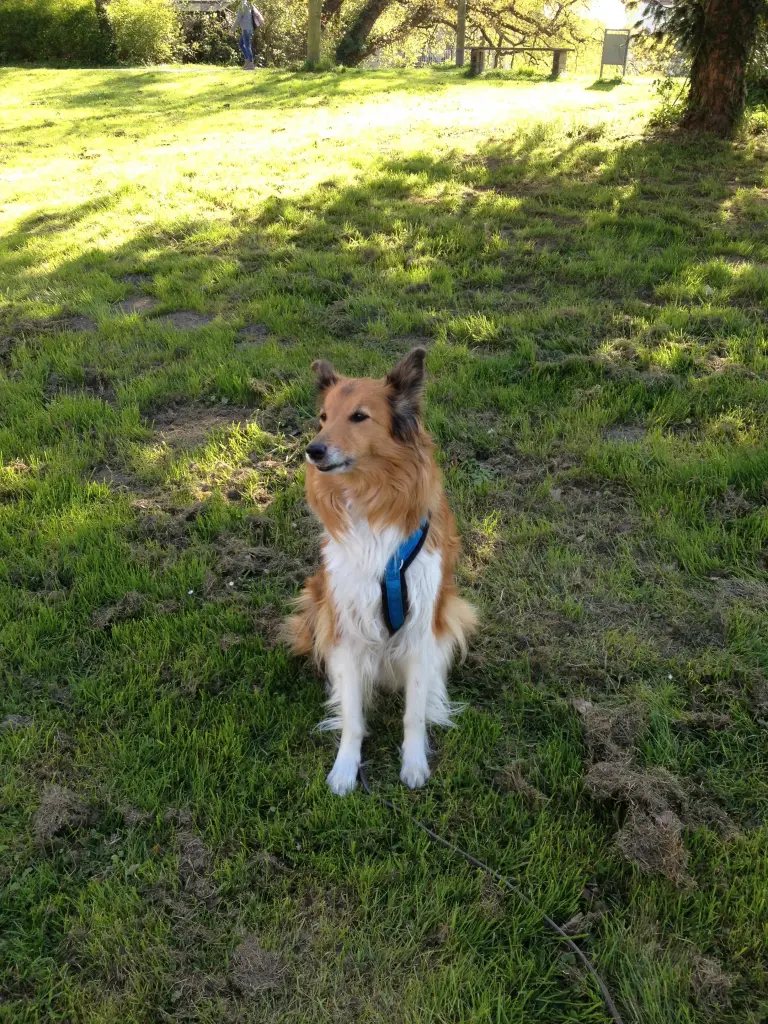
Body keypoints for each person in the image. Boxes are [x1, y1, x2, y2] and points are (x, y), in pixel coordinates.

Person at [233, 1, 264, 71]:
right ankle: (247, 61)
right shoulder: (249, 4)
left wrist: (232, 29)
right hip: (250, 28)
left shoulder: (243, 5)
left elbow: (238, 19)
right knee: (241, 44)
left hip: (246, 29)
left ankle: (250, 64)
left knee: (247, 45)